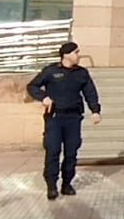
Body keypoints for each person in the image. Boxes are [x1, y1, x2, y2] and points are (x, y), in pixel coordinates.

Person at [27, 42, 101, 201]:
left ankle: (67, 183)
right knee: (53, 151)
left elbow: (90, 92)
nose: (78, 55)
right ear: (66, 55)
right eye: (75, 52)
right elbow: (32, 86)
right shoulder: (51, 71)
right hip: (54, 118)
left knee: (71, 152)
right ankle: (51, 185)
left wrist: (95, 111)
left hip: (73, 118)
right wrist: (43, 97)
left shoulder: (81, 73)